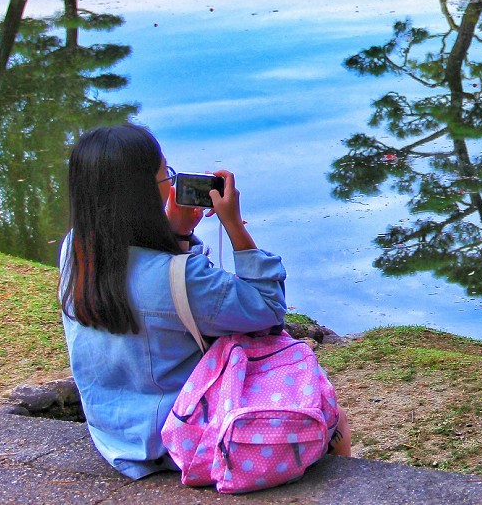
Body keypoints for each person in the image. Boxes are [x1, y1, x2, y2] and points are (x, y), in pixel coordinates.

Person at [58, 123, 349, 480]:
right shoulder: (179, 278)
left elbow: (148, 276)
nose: (172, 180)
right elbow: (268, 308)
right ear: (145, 191)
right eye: (166, 173)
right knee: (326, 413)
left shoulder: (75, 251)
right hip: (179, 438)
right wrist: (234, 227)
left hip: (113, 435)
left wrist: (176, 232)